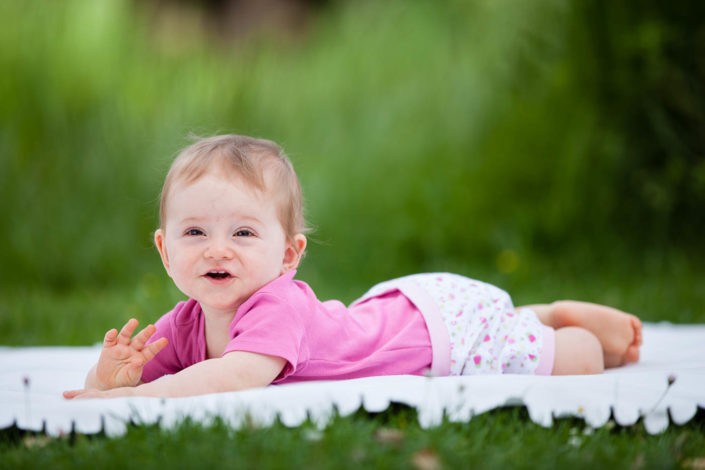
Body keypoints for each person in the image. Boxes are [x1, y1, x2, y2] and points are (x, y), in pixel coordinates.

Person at [63, 134, 643, 399]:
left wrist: (138, 400)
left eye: (243, 232)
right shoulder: (188, 321)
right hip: (396, 311)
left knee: (578, 365)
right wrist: (110, 378)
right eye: (195, 233)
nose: (218, 250)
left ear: (288, 256)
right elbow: (142, 375)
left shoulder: (275, 305)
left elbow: (232, 376)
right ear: (165, 250)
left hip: (440, 333)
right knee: (511, 324)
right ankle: (528, 313)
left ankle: (561, 324)